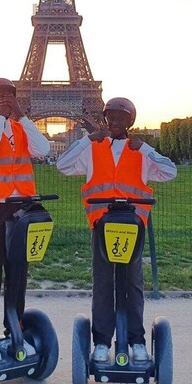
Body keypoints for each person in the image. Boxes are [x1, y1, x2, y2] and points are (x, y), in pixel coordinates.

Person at [56, 97, 176, 364]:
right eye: (111, 116)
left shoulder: (140, 151)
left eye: (122, 117)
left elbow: (170, 171)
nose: (116, 121)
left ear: (130, 121)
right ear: (105, 118)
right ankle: (101, 340)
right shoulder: (93, 148)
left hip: (133, 225)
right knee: (103, 283)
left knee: (133, 283)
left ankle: (137, 340)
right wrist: (86, 140)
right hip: (102, 224)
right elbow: (62, 166)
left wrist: (145, 148)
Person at [0, 77, 50, 361]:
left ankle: (14, 330)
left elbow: (43, 149)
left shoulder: (21, 127)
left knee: (18, 274)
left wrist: (23, 116)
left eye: (9, 95)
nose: (4, 99)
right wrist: (1, 118)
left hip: (22, 209)